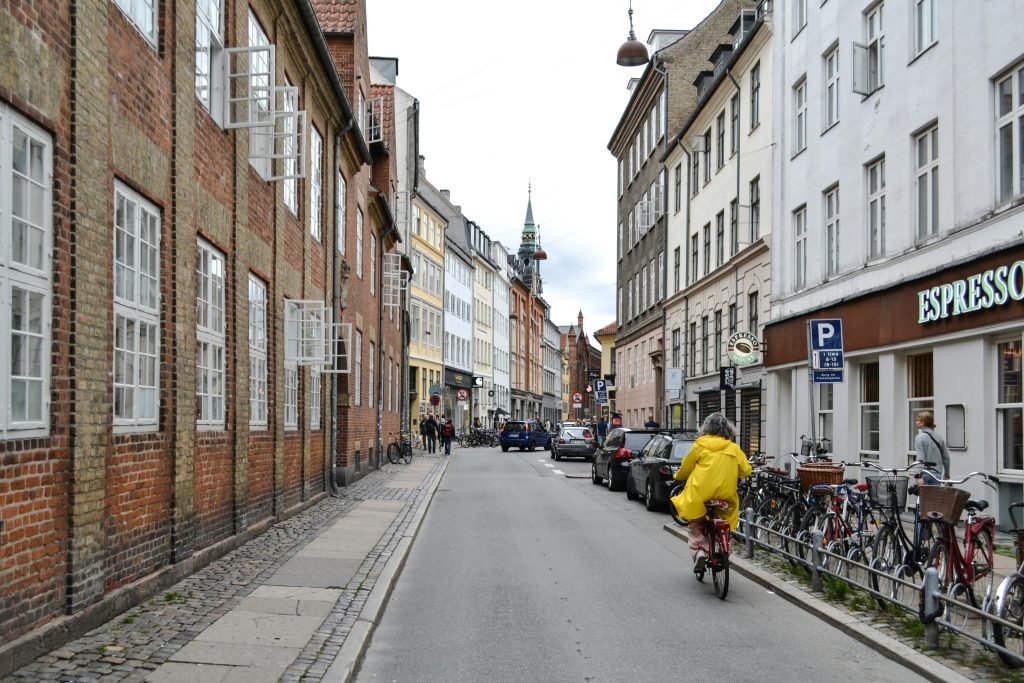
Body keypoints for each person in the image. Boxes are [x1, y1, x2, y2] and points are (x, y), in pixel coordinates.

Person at [671, 412, 752, 573]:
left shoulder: (699, 445)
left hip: (701, 494)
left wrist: (677, 476)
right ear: (728, 429)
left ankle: (700, 550)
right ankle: (724, 546)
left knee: (696, 523)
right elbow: (746, 470)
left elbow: (686, 468)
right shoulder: (733, 448)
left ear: (706, 428)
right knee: (725, 521)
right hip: (725, 496)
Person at [914, 410, 951, 485]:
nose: (916, 422)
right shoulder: (939, 437)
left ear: (923, 422)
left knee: (923, 496)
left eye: (918, 420)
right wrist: (947, 474)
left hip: (924, 474)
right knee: (935, 496)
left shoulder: (919, 437)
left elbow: (920, 459)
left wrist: (919, 476)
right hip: (937, 474)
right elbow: (946, 457)